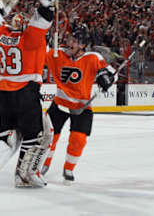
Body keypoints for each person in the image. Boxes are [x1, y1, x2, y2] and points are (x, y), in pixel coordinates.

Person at [0, 0, 64, 189]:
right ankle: (25, 175)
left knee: (7, 132)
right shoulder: (32, 38)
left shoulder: (2, 35)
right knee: (35, 135)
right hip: (26, 92)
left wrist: (3, 3)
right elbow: (43, 20)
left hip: (4, 93)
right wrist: (48, 3)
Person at [41, 33, 116, 184]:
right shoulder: (58, 54)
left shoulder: (93, 57)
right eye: (70, 40)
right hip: (60, 103)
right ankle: (43, 164)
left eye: (74, 41)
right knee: (49, 137)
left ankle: (69, 168)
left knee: (79, 139)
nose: (70, 43)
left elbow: (113, 73)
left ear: (82, 45)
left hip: (82, 106)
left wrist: (107, 78)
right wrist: (44, 38)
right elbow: (41, 52)